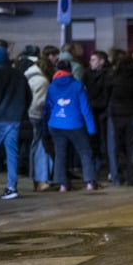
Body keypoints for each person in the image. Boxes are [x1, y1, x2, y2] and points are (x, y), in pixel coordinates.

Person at [43, 59, 98, 193]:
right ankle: (90, 182)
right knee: (85, 152)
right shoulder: (77, 86)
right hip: (74, 124)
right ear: (70, 70)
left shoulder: (51, 86)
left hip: (55, 124)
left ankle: (63, 184)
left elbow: (47, 108)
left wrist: (45, 125)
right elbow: (85, 108)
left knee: (60, 154)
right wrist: (91, 128)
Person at [0, 44, 32, 199]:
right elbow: (28, 97)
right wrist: (20, 113)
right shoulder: (19, 75)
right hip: (14, 119)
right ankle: (11, 187)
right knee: (12, 154)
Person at [107, 50, 133, 186]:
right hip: (132, 113)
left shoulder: (114, 77)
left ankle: (117, 176)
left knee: (116, 147)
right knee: (132, 147)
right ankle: (132, 177)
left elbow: (108, 93)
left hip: (116, 114)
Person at [24, 50, 52, 191]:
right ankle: (41, 179)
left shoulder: (28, 76)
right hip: (37, 116)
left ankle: (36, 180)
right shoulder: (42, 81)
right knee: (41, 147)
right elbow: (39, 103)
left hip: (28, 116)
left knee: (34, 147)